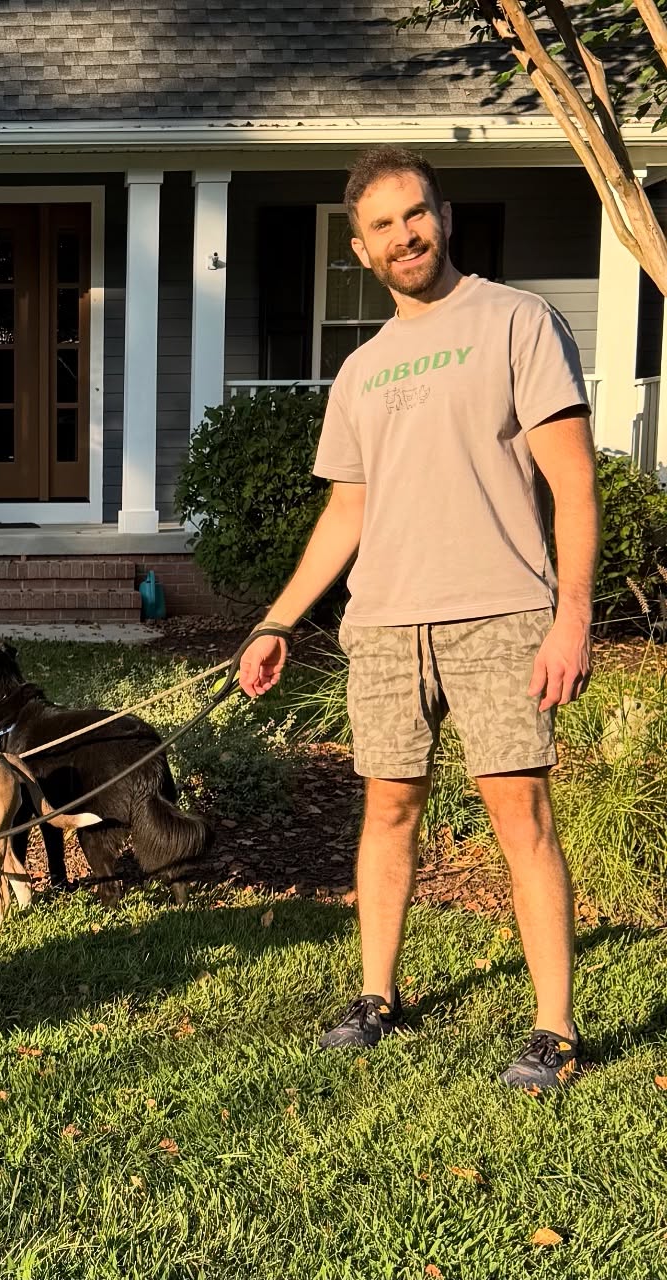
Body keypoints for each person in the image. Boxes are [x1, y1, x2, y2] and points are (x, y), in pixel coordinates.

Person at [237, 146, 599, 1093]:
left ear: (442, 215)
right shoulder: (362, 370)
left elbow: (571, 480)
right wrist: (276, 621)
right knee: (386, 806)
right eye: (384, 225)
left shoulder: (518, 321)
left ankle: (554, 1029)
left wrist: (573, 616)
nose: (406, 235)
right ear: (358, 249)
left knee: (519, 815)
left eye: (416, 214)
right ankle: (376, 994)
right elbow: (347, 511)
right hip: (386, 623)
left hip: (502, 613)